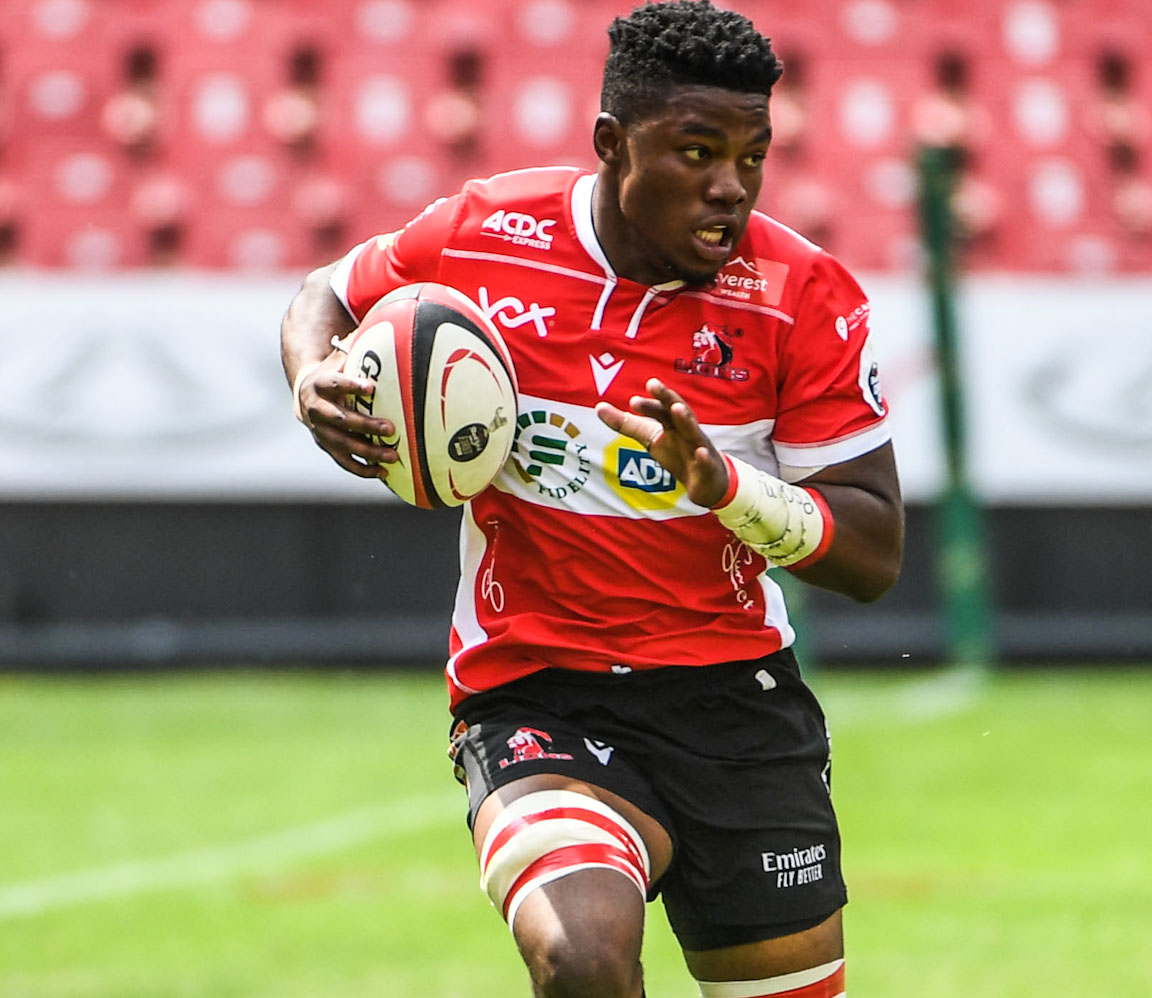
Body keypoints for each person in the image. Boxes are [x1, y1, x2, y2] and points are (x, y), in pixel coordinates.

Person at [279, 4, 899, 996]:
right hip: (535, 688)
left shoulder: (802, 296)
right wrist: (315, 374)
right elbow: (328, 292)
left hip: (734, 703)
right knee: (581, 953)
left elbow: (872, 554)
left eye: (752, 156)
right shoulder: (488, 231)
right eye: (696, 151)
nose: (730, 185)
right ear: (612, 143)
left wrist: (726, 489)